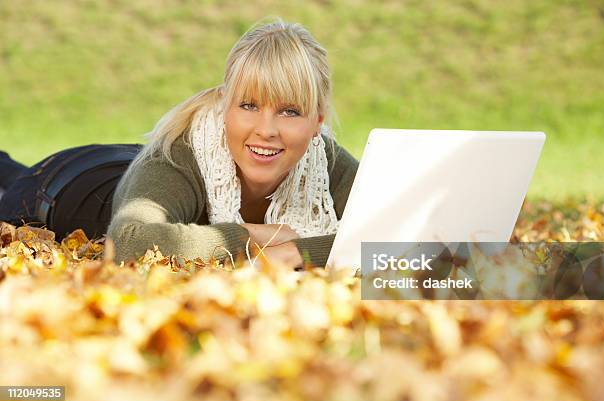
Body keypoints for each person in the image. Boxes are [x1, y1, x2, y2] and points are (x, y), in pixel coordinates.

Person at [0, 19, 359, 270]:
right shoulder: (181, 153)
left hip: (130, 167)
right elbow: (128, 243)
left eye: (290, 112)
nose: (266, 129)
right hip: (61, 186)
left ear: (317, 123)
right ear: (225, 108)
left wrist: (299, 250)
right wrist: (251, 237)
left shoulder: (324, 162)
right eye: (249, 105)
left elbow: (405, 244)